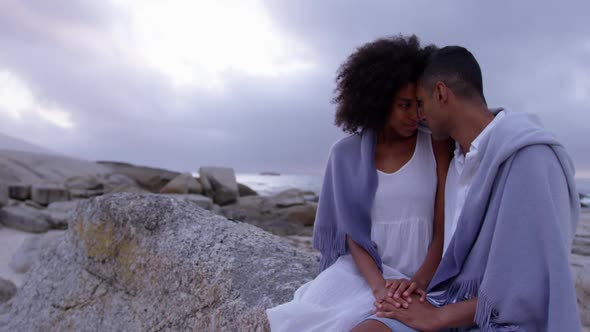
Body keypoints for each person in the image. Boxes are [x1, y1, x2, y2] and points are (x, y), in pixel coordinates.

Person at [360, 46, 581, 331]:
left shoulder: (530, 159)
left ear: (441, 94)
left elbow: (532, 283)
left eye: (420, 102)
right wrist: (416, 290)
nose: (418, 115)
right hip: (448, 301)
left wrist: (438, 317)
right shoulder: (456, 159)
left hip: (503, 319)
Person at [266, 35, 452, 331]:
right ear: (378, 101)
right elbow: (353, 235)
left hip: (423, 280)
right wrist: (379, 287)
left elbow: (443, 232)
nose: (415, 116)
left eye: (418, 104)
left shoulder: (438, 146)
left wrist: (416, 284)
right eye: (404, 105)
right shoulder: (345, 154)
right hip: (363, 276)